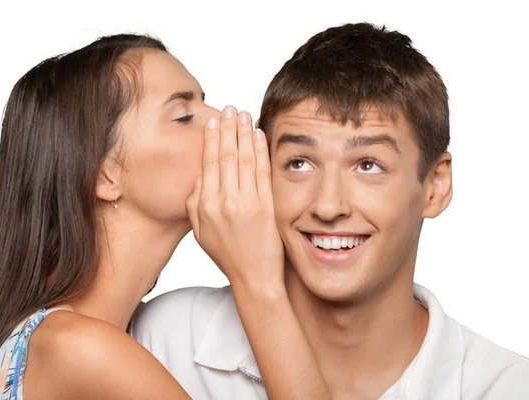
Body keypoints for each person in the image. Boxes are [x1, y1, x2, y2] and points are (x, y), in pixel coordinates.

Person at [131, 23, 529, 399]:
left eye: (368, 165)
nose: (328, 206)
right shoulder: (164, 340)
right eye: (299, 163)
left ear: (435, 186)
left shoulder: (506, 387)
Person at [0, 34, 331, 400]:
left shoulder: (90, 336)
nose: (221, 120)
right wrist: (258, 280)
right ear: (105, 174)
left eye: (204, 102)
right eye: (183, 116)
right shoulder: (81, 349)